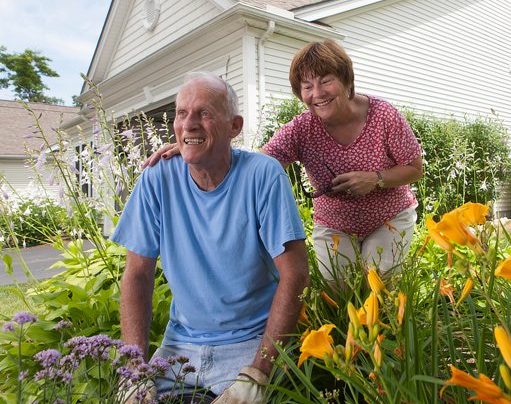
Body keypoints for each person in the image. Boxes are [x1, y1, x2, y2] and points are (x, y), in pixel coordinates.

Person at [145, 40, 422, 279]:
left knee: (378, 282)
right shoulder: (302, 128)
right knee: (338, 291)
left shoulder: (383, 115)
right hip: (335, 225)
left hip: (388, 218)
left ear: (346, 80)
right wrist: (202, 146)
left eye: (326, 80)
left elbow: (414, 169)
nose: (317, 93)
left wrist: (375, 179)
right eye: (307, 86)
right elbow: (260, 164)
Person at [114, 72, 309, 403]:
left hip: (249, 346)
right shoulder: (157, 178)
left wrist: (258, 372)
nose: (189, 124)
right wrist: (134, 368)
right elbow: (137, 274)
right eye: (181, 113)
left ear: (234, 126)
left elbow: (296, 274)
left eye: (204, 113)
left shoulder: (263, 176)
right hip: (180, 348)